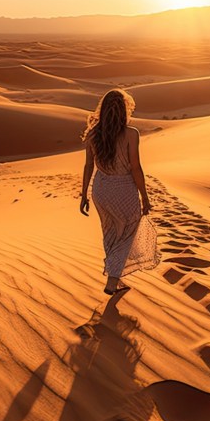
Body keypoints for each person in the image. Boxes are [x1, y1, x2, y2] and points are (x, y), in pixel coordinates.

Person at [79, 89, 160, 294]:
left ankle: (116, 277)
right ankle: (112, 280)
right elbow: (135, 168)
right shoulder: (131, 134)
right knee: (128, 233)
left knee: (111, 233)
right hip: (123, 189)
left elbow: (89, 166)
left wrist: (84, 195)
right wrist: (145, 196)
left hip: (101, 190)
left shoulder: (93, 134)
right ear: (124, 109)